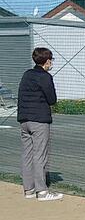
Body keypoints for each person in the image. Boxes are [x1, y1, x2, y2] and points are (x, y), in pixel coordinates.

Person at [18, 47, 62, 201]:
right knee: (40, 155)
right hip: (39, 120)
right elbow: (52, 99)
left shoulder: (27, 74)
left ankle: (28, 189)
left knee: (27, 155)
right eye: (51, 60)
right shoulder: (45, 76)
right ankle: (42, 191)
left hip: (24, 119)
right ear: (47, 61)